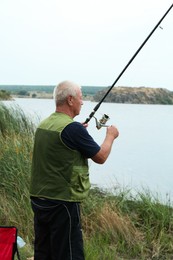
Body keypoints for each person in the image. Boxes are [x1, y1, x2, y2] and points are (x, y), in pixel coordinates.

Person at [30, 80, 119, 260]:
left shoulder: (44, 124)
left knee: (43, 252)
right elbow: (100, 157)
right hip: (63, 202)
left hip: (39, 200)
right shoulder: (72, 129)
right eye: (80, 97)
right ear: (70, 100)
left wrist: (78, 131)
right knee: (69, 254)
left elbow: (60, 149)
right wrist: (110, 136)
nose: (82, 102)